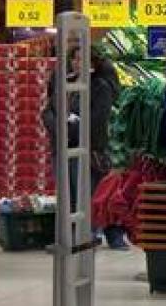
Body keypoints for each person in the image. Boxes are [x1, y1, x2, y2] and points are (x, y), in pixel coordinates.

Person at [43, 45, 123, 247]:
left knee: (86, 195)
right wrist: (60, 128)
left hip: (88, 150)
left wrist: (68, 130)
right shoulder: (65, 84)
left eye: (82, 59)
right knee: (66, 195)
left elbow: (95, 122)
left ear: (93, 63)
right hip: (61, 149)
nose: (77, 63)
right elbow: (48, 112)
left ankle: (86, 235)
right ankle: (69, 237)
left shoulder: (100, 87)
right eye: (74, 59)